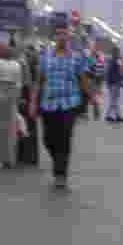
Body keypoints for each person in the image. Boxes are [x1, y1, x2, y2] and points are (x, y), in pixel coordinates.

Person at [31, 24, 91, 190]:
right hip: (48, 104)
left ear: (69, 37)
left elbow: (83, 79)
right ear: (54, 37)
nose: (62, 37)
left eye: (65, 34)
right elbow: (39, 80)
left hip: (69, 104)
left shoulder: (77, 57)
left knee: (64, 139)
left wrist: (93, 99)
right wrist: (33, 102)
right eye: (59, 34)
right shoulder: (45, 57)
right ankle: (58, 162)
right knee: (48, 140)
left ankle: (60, 174)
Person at [17, 44, 41, 167]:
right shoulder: (25, 65)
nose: (29, 56)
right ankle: (25, 155)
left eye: (31, 54)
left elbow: (34, 85)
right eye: (28, 54)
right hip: (26, 98)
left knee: (29, 127)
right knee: (23, 127)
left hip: (29, 98)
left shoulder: (34, 67)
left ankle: (29, 156)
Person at [104, 47, 123, 122]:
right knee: (114, 100)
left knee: (114, 100)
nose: (119, 54)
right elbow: (117, 73)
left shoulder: (113, 61)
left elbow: (110, 73)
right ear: (115, 53)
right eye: (118, 52)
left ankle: (117, 115)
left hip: (114, 83)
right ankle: (109, 116)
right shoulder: (114, 61)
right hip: (114, 83)